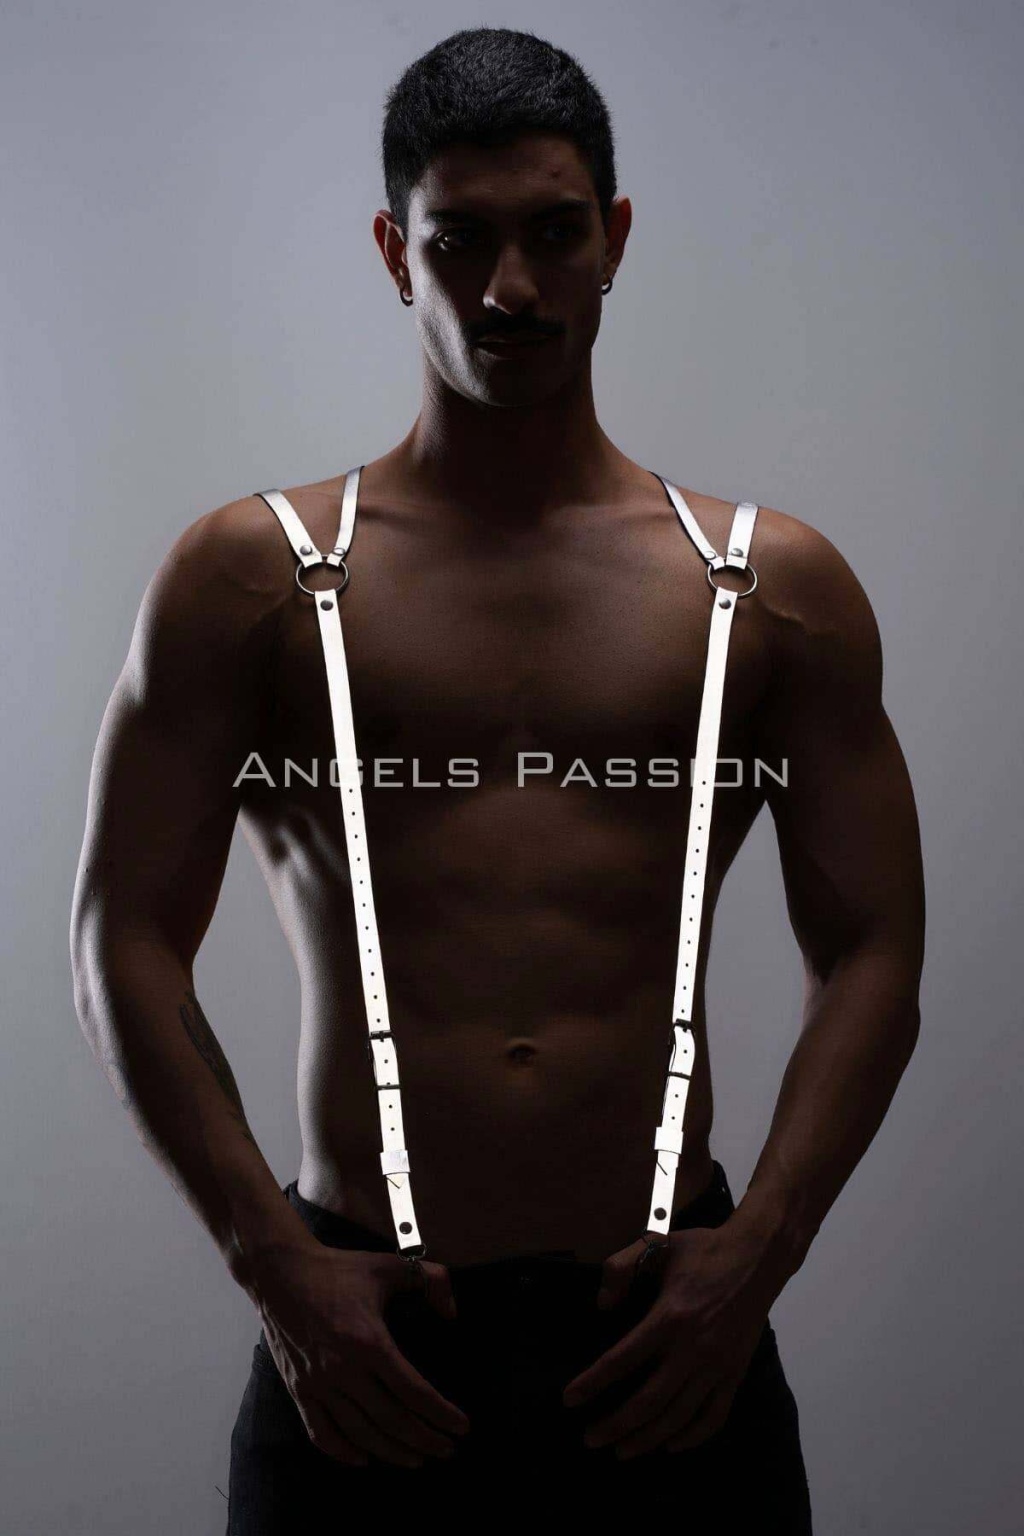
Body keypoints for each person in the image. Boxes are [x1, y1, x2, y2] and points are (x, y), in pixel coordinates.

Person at [69, 25, 925, 1534]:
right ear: (395, 252)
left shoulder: (768, 590)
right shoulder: (251, 580)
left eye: (553, 233)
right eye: (460, 240)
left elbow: (875, 945)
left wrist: (764, 1248)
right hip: (360, 1328)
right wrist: (273, 1263)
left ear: (616, 240)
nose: (510, 288)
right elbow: (119, 936)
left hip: (673, 1327)